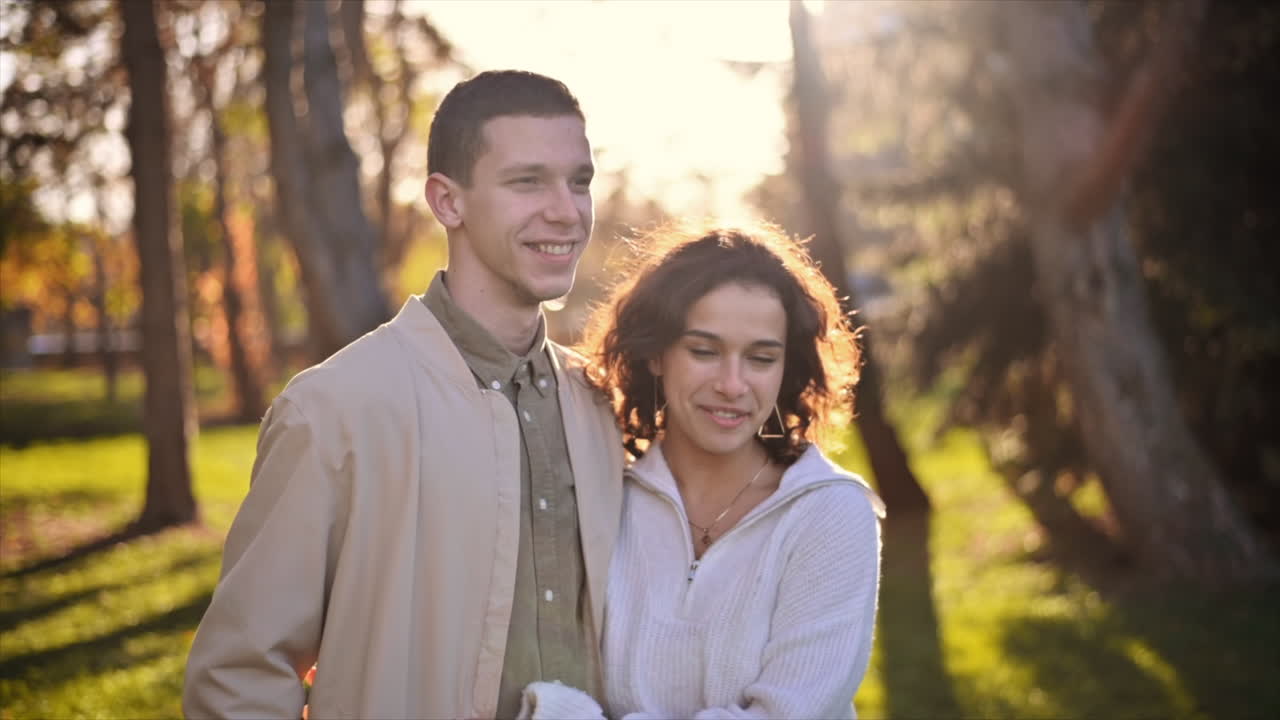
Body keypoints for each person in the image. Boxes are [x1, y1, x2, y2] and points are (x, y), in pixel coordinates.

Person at [182, 70, 624, 719]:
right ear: (448, 202)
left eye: (579, 180)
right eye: (527, 181)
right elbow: (239, 675)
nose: (566, 209)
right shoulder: (333, 411)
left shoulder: (604, 405)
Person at [516, 223, 885, 719]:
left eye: (760, 358)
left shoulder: (830, 514)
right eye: (704, 351)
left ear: (785, 368)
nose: (732, 385)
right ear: (655, 355)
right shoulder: (602, 500)